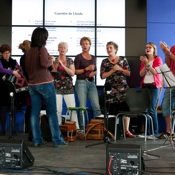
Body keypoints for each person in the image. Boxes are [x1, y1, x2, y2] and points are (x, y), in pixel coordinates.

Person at [25, 27, 67, 147]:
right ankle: (57, 141)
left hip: (32, 85)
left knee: (34, 113)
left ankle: (37, 140)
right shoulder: (42, 49)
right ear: (43, 37)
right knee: (52, 112)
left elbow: (27, 69)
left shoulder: (28, 52)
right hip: (45, 83)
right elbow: (44, 63)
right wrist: (51, 60)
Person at [100, 41, 135, 138]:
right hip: (111, 89)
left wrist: (120, 69)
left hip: (122, 88)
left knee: (125, 109)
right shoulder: (105, 61)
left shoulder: (122, 59)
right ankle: (113, 131)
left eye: (110, 48)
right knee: (112, 110)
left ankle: (126, 130)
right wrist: (112, 70)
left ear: (115, 49)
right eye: (107, 48)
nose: (108, 50)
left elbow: (128, 73)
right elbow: (102, 76)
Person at [74, 36, 102, 131]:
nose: (85, 45)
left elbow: (95, 69)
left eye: (86, 44)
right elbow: (75, 72)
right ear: (81, 45)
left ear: (90, 45)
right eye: (83, 44)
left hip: (91, 83)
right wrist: (86, 69)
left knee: (96, 106)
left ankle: (98, 129)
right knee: (82, 107)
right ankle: (82, 129)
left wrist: (94, 73)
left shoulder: (93, 57)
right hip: (81, 82)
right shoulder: (78, 57)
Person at [51, 41, 79, 129]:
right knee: (57, 110)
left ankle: (75, 128)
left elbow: (72, 73)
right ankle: (58, 129)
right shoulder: (54, 59)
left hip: (68, 87)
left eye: (64, 48)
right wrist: (56, 63)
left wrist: (63, 65)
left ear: (67, 50)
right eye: (60, 47)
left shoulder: (70, 60)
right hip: (56, 87)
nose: (62, 49)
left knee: (72, 109)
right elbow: (53, 72)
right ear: (58, 49)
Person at [139, 42, 163, 139]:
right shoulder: (144, 61)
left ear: (154, 50)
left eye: (150, 47)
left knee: (152, 110)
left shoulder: (158, 59)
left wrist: (147, 64)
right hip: (145, 86)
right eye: (146, 47)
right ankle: (147, 133)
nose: (147, 49)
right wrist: (145, 64)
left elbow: (155, 72)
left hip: (154, 87)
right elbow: (141, 74)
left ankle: (155, 133)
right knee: (146, 111)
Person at [0, 44, 21, 135]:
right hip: (2, 88)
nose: (7, 55)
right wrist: (13, 72)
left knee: (13, 108)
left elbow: (20, 69)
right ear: (1, 53)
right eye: (5, 53)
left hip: (12, 88)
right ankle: (3, 130)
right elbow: (1, 69)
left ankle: (12, 129)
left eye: (8, 53)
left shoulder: (14, 61)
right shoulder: (0, 61)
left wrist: (20, 72)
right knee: (3, 109)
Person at [158, 41, 175, 139]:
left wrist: (168, 53)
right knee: (165, 105)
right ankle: (169, 131)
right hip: (171, 82)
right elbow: (168, 64)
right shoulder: (173, 48)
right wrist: (166, 54)